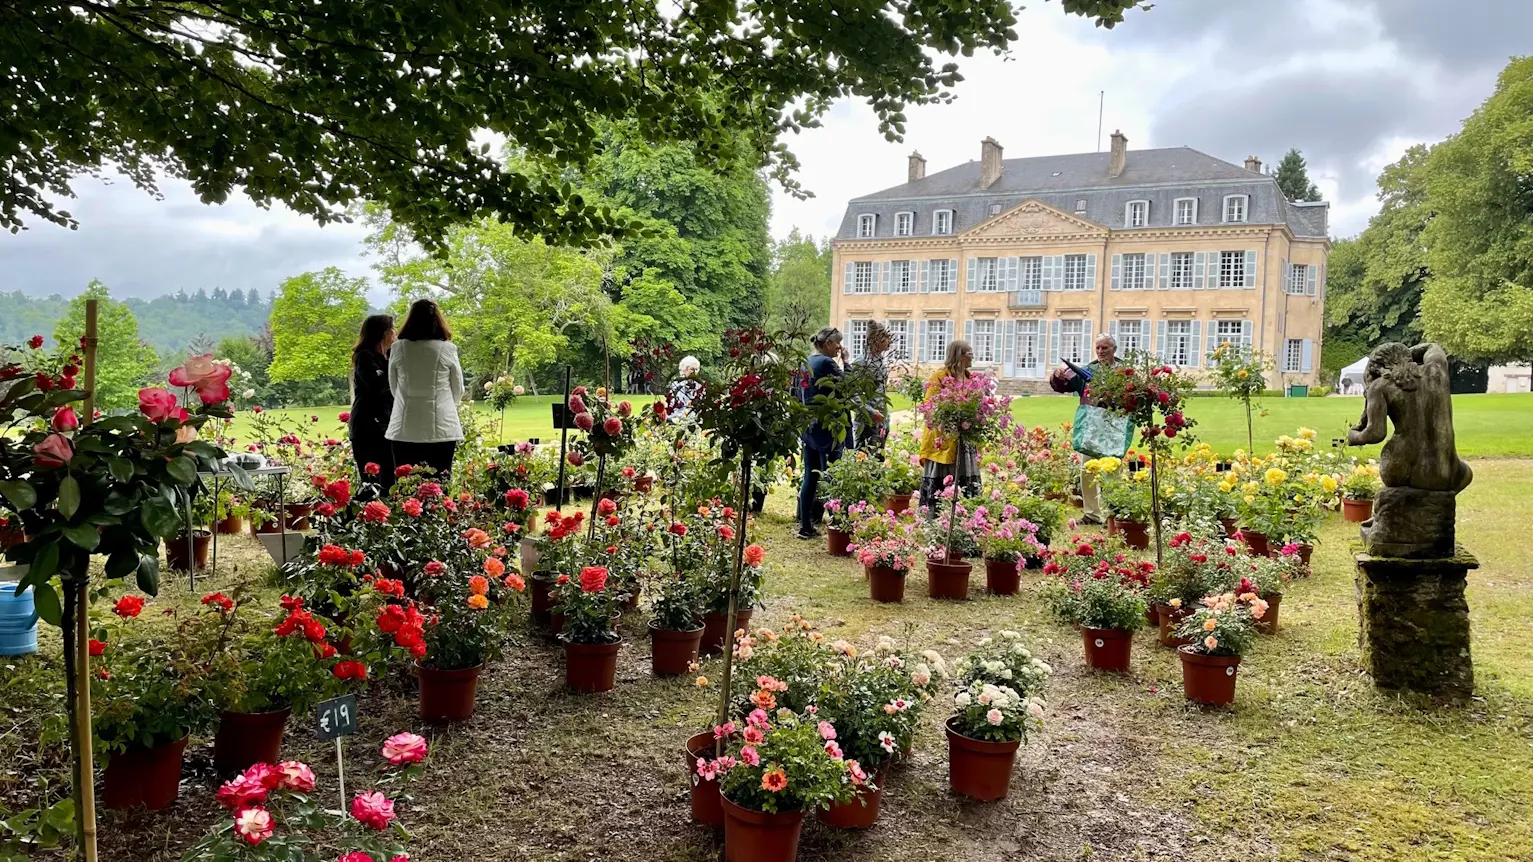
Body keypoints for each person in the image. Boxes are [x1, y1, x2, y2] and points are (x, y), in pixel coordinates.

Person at [386, 299, 465, 481]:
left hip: (405, 427)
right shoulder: (447, 349)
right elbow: (457, 388)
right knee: (439, 486)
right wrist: (444, 404)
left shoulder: (398, 348)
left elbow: (394, 386)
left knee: (406, 489)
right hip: (442, 428)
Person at [1050, 334, 1119, 524]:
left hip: (1114, 427)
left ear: (1114, 349)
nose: (1100, 351)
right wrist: (1058, 376)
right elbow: (1066, 386)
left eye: (1104, 348)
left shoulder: (1124, 371)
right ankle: (1092, 514)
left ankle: (1114, 514)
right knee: (1087, 468)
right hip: (1091, 425)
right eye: (1098, 348)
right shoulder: (1089, 370)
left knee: (1112, 470)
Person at [796, 327, 849, 540]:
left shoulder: (806, 361)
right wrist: (847, 362)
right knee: (832, 476)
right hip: (828, 427)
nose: (839, 348)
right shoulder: (827, 363)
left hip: (809, 426)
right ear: (828, 344)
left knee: (810, 476)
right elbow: (848, 386)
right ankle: (837, 524)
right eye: (838, 343)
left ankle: (806, 526)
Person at [917, 339, 981, 508]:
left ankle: (965, 512)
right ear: (960, 356)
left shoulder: (971, 379)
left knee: (965, 478)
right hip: (944, 437)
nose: (972, 356)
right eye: (969, 353)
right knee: (942, 478)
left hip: (965, 439)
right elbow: (930, 407)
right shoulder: (940, 377)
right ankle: (937, 514)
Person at [349, 314, 397, 492]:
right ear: (385, 333)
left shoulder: (387, 358)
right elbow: (378, 386)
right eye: (393, 329)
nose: (395, 333)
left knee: (389, 481)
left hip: (386, 425)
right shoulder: (365, 357)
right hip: (367, 428)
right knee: (371, 484)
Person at [852, 322, 893, 452]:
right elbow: (853, 393)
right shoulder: (862, 362)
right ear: (877, 339)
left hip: (881, 422)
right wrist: (870, 411)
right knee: (863, 464)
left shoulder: (879, 360)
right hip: (866, 424)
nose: (889, 341)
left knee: (877, 463)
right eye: (886, 337)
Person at [667, 355, 703, 423]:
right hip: (678, 415)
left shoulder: (699, 385)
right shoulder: (677, 384)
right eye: (692, 369)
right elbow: (676, 403)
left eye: (697, 369)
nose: (694, 372)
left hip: (693, 416)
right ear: (684, 369)